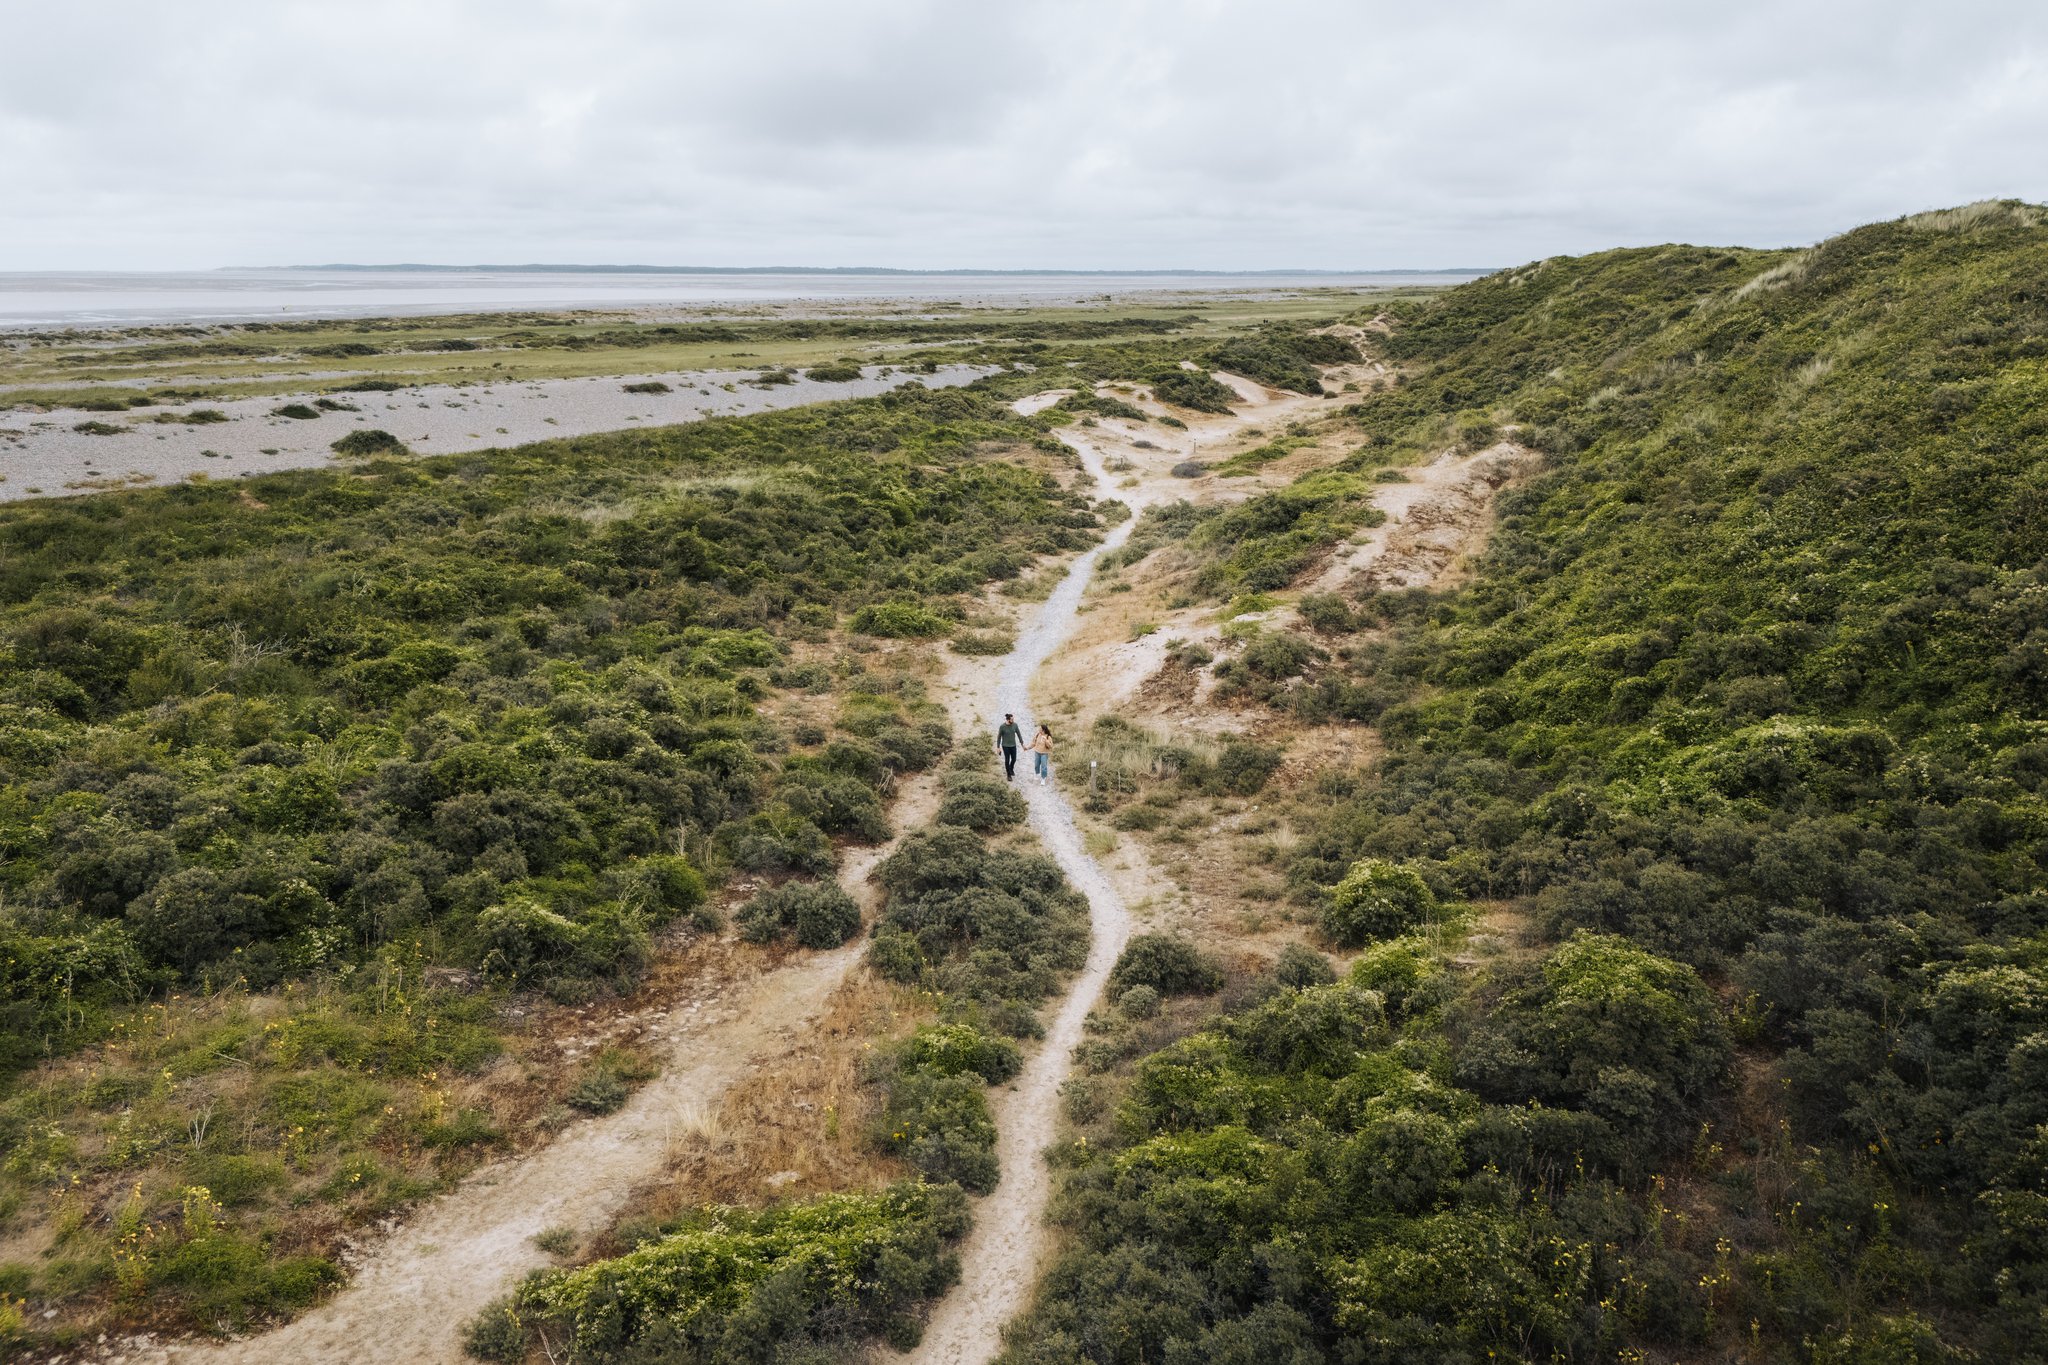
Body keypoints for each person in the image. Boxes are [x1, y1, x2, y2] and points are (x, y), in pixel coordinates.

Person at [995, 713, 1023, 781]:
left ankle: (1011, 768)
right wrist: (998, 747)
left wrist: (1022, 742)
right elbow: (999, 737)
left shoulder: (1015, 725)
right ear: (1008, 720)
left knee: (1014, 759)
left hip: (1013, 745)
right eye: (1012, 719)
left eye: (1013, 719)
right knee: (1007, 760)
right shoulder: (1002, 727)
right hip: (1005, 746)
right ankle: (1008, 775)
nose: (1013, 720)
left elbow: (1019, 734)